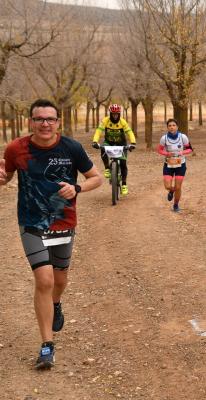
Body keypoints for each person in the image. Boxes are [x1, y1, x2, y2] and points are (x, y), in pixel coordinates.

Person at [0, 99, 102, 370]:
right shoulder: (16, 148)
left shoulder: (71, 148)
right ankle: (47, 345)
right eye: (39, 119)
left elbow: (97, 178)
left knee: (59, 279)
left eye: (50, 119)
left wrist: (77, 188)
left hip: (63, 222)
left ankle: (56, 303)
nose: (45, 123)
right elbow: (7, 174)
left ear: (58, 122)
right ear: (30, 121)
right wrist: (2, 176)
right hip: (31, 222)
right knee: (43, 280)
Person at [92, 103, 136, 195]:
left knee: (123, 163)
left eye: (117, 114)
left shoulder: (122, 122)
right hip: (109, 142)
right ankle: (107, 168)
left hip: (121, 143)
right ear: (110, 114)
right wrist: (95, 141)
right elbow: (98, 131)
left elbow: (130, 132)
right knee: (102, 148)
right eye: (113, 114)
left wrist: (133, 143)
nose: (115, 116)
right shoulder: (105, 120)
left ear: (119, 114)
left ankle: (124, 184)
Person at [157, 118, 193, 212]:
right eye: (169, 126)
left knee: (178, 187)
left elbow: (190, 149)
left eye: (173, 125)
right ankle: (171, 191)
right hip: (168, 164)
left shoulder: (183, 137)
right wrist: (166, 154)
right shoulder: (164, 138)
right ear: (167, 128)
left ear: (177, 127)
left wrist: (182, 152)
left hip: (180, 164)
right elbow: (159, 150)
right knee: (167, 186)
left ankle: (176, 205)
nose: (172, 127)